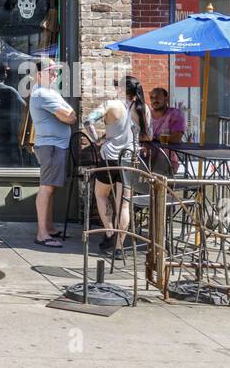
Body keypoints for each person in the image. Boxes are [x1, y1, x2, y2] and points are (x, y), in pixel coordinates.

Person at [85, 75, 152, 256]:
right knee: (124, 204)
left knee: (101, 195)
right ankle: (119, 246)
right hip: (130, 160)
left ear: (122, 89)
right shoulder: (144, 108)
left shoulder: (111, 105)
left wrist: (97, 140)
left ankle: (109, 232)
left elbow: (87, 121)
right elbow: (148, 136)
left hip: (109, 158)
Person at [27, 56, 76, 248]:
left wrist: (69, 114)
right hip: (51, 147)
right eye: (51, 71)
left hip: (56, 146)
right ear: (39, 75)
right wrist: (68, 114)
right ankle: (42, 234)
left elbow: (71, 114)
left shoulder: (50, 92)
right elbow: (69, 117)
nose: (55, 74)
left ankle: (49, 227)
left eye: (56, 71)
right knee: (46, 188)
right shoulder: (42, 94)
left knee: (50, 188)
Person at [147, 85, 186, 171]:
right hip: (146, 160)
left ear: (166, 98)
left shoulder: (176, 114)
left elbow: (176, 138)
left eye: (158, 97)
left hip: (167, 162)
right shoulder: (147, 114)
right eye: (152, 98)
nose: (154, 100)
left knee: (162, 184)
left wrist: (154, 137)